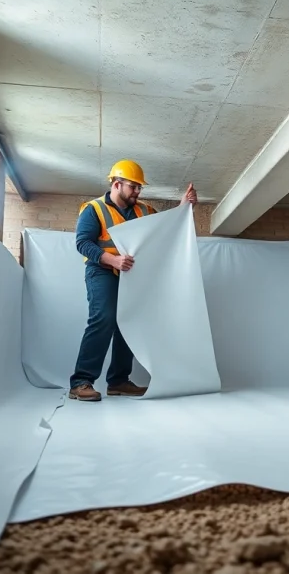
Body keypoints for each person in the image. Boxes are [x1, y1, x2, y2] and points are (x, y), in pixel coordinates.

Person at [68, 159, 197, 401]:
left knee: (127, 323)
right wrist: (112, 260)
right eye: (133, 186)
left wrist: (183, 207)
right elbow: (82, 243)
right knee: (103, 318)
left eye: (140, 187)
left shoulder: (144, 210)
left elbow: (166, 227)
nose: (138, 191)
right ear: (116, 184)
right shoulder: (93, 209)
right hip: (102, 270)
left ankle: (118, 381)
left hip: (132, 274)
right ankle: (81, 382)